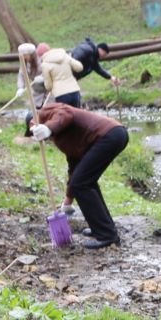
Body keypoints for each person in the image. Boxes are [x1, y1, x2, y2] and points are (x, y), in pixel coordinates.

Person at [31, 102, 127, 250]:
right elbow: (75, 165)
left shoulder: (48, 112)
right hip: (111, 137)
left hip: (110, 135)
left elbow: (66, 113)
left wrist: (48, 128)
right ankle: (103, 229)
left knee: (82, 184)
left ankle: (107, 236)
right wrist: (68, 201)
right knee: (85, 182)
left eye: (33, 128)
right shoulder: (60, 138)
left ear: (34, 121)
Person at [36, 42, 85, 107]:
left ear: (41, 55)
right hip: (74, 91)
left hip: (61, 94)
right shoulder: (64, 56)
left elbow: (48, 86)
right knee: (76, 115)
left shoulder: (45, 65)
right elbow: (79, 67)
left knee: (65, 115)